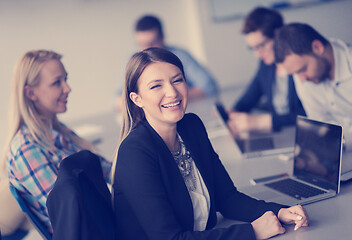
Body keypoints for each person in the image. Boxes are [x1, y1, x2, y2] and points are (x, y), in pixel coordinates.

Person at [112, 47, 308, 239]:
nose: (172, 92)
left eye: (177, 80)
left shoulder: (191, 126)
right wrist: (252, 232)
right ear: (137, 99)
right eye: (156, 86)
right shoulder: (135, 152)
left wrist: (279, 212)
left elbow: (227, 198)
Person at [2, 50, 112, 234]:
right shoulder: (26, 150)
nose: (67, 88)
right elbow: (73, 211)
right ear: (30, 93)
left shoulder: (59, 132)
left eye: (65, 79)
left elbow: (106, 169)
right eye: (56, 83)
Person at [274, 23, 352, 150]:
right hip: (344, 156)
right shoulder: (302, 76)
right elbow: (321, 127)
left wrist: (341, 141)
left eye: (302, 69)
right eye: (296, 73)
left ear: (317, 47)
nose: (302, 79)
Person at [115, 14, 218, 112]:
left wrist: (173, 99)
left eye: (151, 43)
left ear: (163, 38)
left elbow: (208, 86)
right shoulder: (132, 61)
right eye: (142, 44)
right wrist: (150, 102)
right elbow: (117, 100)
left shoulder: (180, 55)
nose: (146, 49)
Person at [230, 7, 305, 133]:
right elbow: (249, 97)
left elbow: (311, 114)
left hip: (301, 135)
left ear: (277, 35)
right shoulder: (266, 65)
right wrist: (233, 113)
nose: (257, 54)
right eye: (252, 48)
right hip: (284, 136)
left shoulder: (299, 64)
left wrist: (265, 121)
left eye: (260, 46)